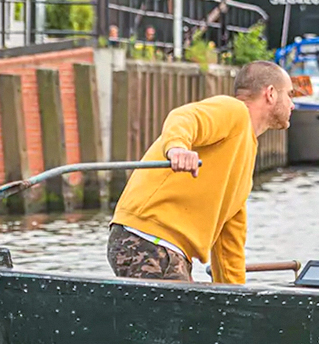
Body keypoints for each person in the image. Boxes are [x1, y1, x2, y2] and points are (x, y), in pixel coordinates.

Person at [109, 60, 294, 283]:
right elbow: (185, 117)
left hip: (165, 248)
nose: (292, 105)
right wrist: (177, 148)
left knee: (192, 314)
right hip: (150, 237)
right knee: (180, 317)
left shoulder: (244, 157)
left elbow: (229, 248)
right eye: (289, 95)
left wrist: (236, 302)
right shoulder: (234, 111)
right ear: (271, 94)